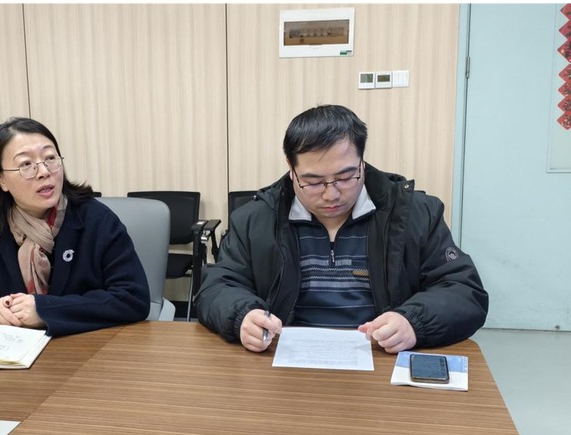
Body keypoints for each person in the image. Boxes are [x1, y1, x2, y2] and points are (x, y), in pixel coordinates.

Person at [196, 105, 487, 353]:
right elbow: (217, 288)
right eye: (313, 182)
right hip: (282, 361)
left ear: (362, 161)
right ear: (291, 169)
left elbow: (464, 291)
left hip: (381, 359)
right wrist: (243, 315)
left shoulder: (414, 214)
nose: (331, 194)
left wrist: (413, 322)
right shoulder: (255, 219)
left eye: (346, 177)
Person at [0, 117, 150, 336]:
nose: (44, 172)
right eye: (26, 164)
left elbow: (133, 297)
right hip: (11, 350)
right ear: (0, 179)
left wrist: (44, 310)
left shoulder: (97, 220)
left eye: (50, 158)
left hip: (85, 347)